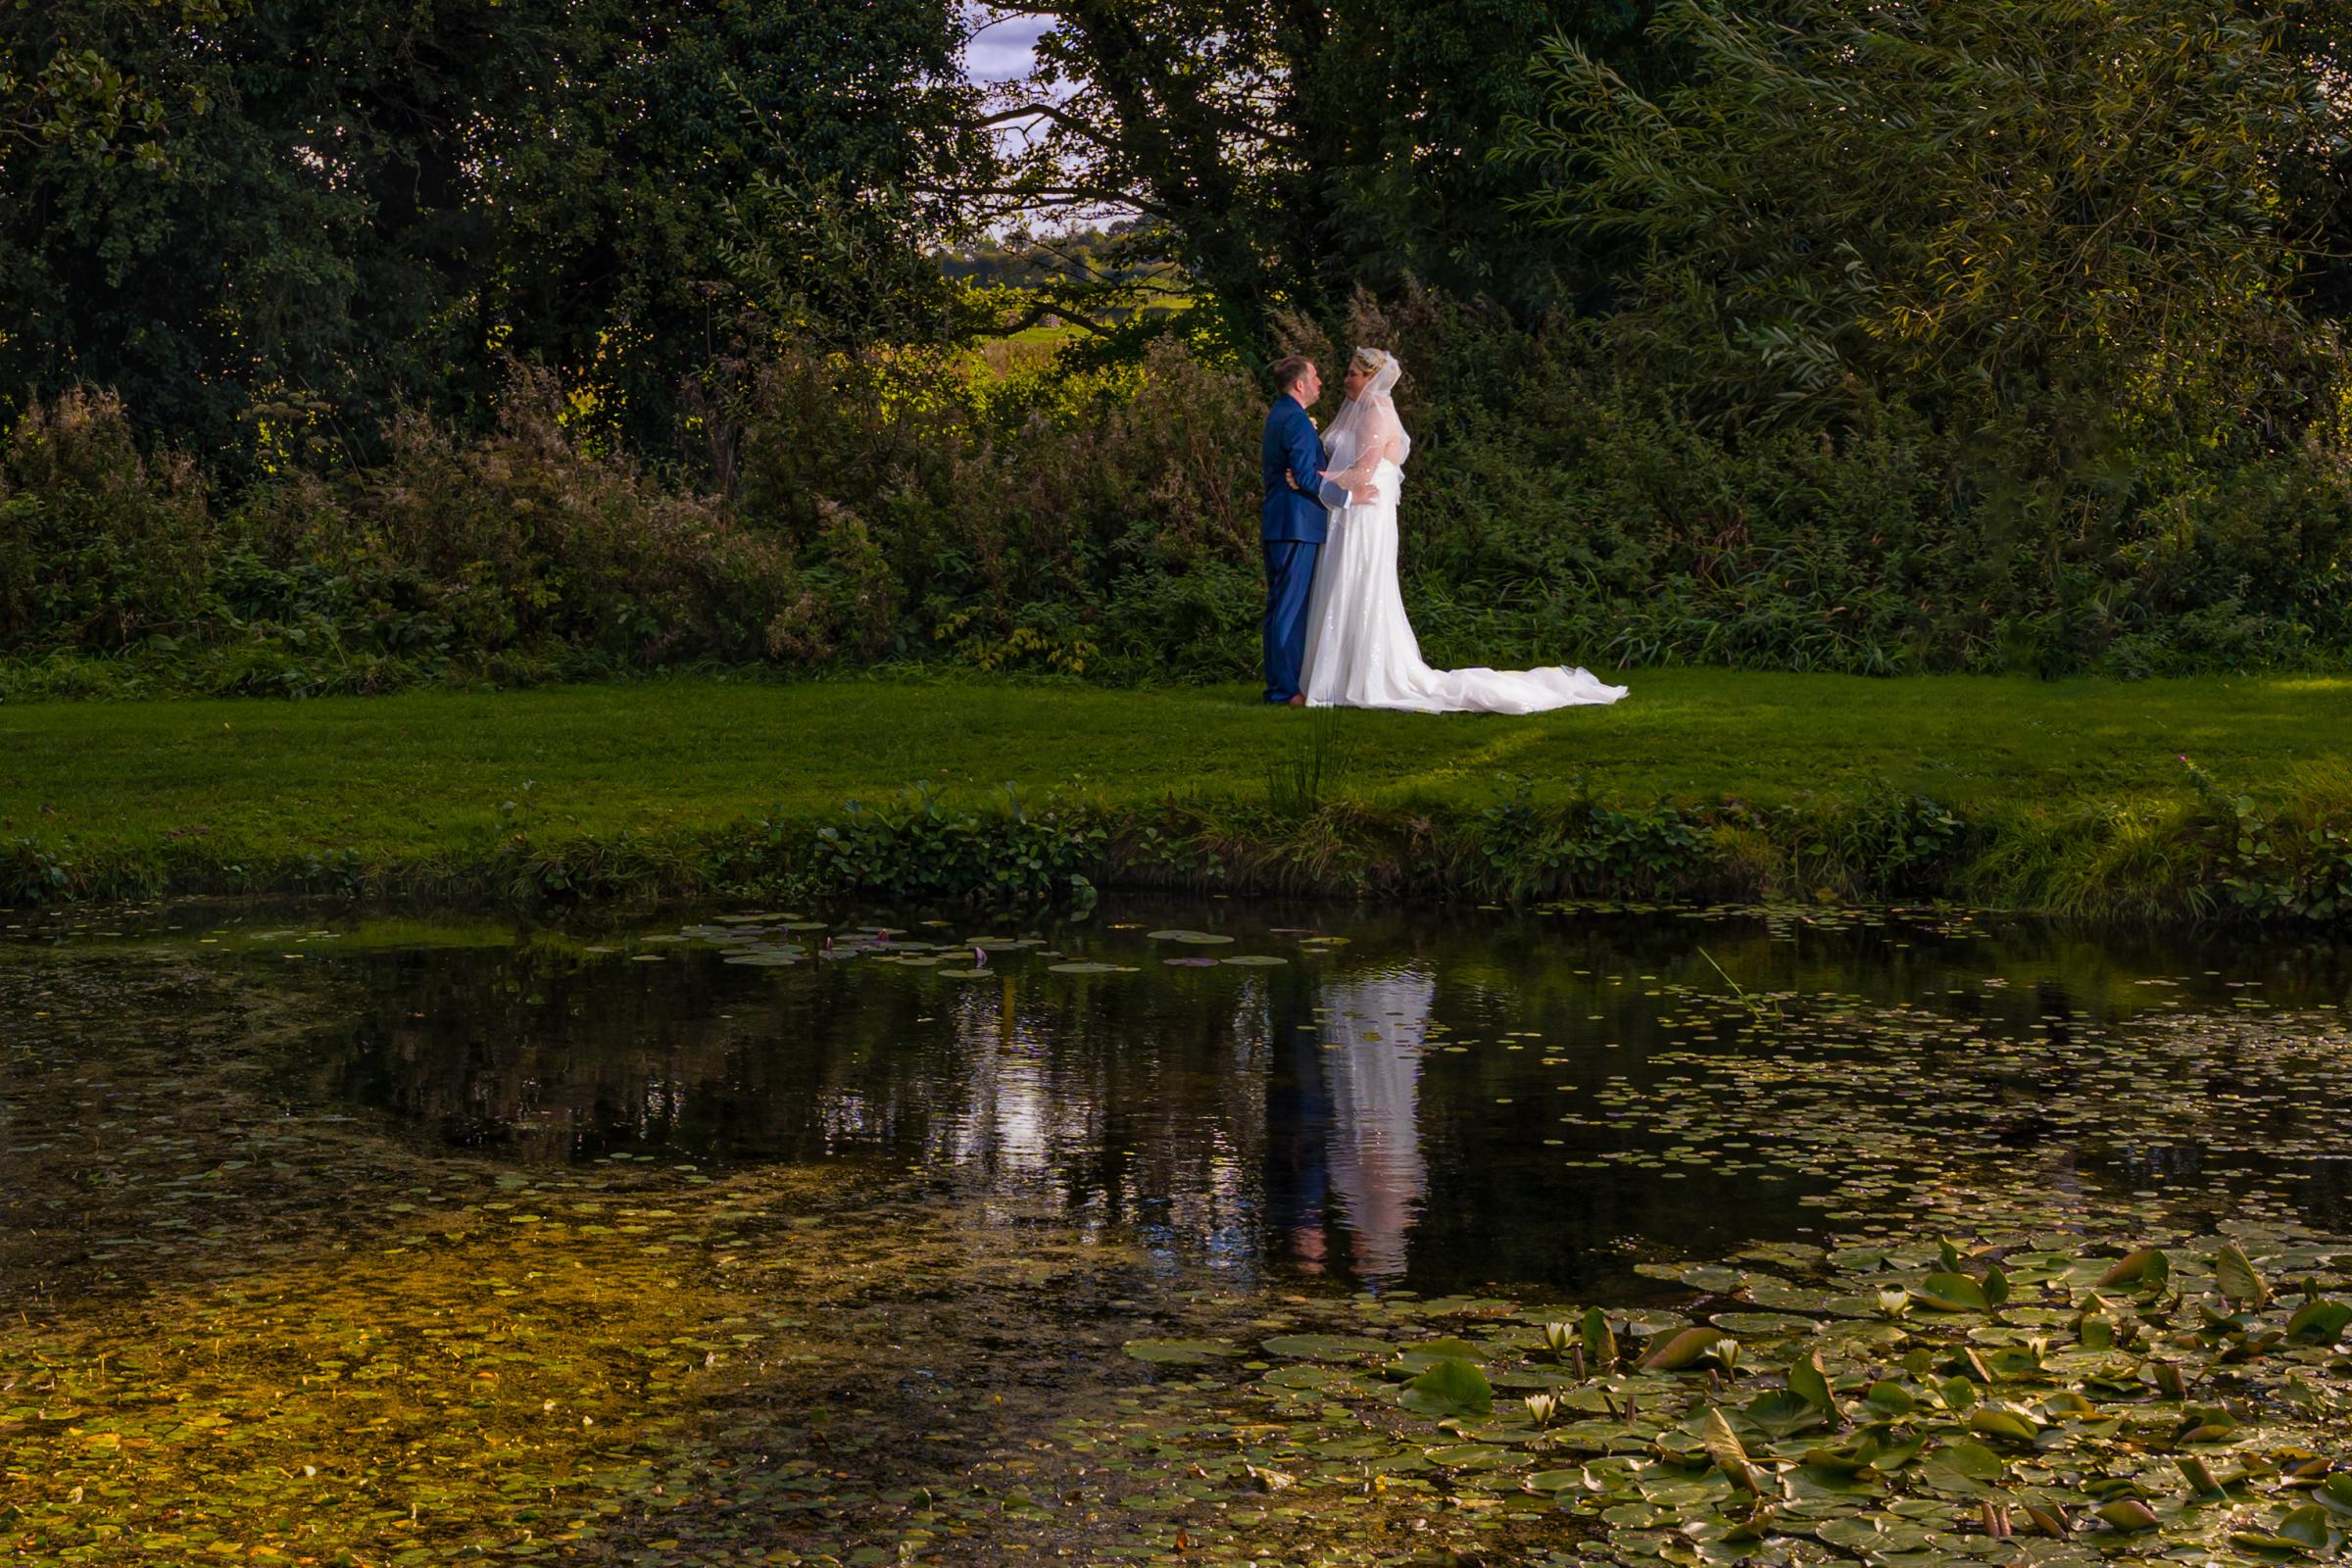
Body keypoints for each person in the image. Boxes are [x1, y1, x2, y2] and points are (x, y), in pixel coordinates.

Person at [1298, 347, 1630, 713]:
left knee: (1359, 582)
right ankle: (1340, 673)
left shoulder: (1376, 413)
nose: (1346, 380)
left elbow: (1362, 475)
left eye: (1353, 374)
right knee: (1344, 582)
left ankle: (1361, 675)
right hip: (1352, 511)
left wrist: (1308, 479)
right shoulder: (1358, 413)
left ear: (1371, 378)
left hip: (1366, 517)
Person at [1257, 357, 1373, 706]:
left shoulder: (1282, 413)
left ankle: (1281, 684)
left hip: (1283, 522)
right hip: (1295, 524)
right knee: (1288, 610)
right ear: (1299, 385)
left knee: (1280, 606)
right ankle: (1284, 691)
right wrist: (1351, 496)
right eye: (1315, 376)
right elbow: (1306, 477)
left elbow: (1303, 472)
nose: (1321, 381)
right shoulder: (1294, 420)